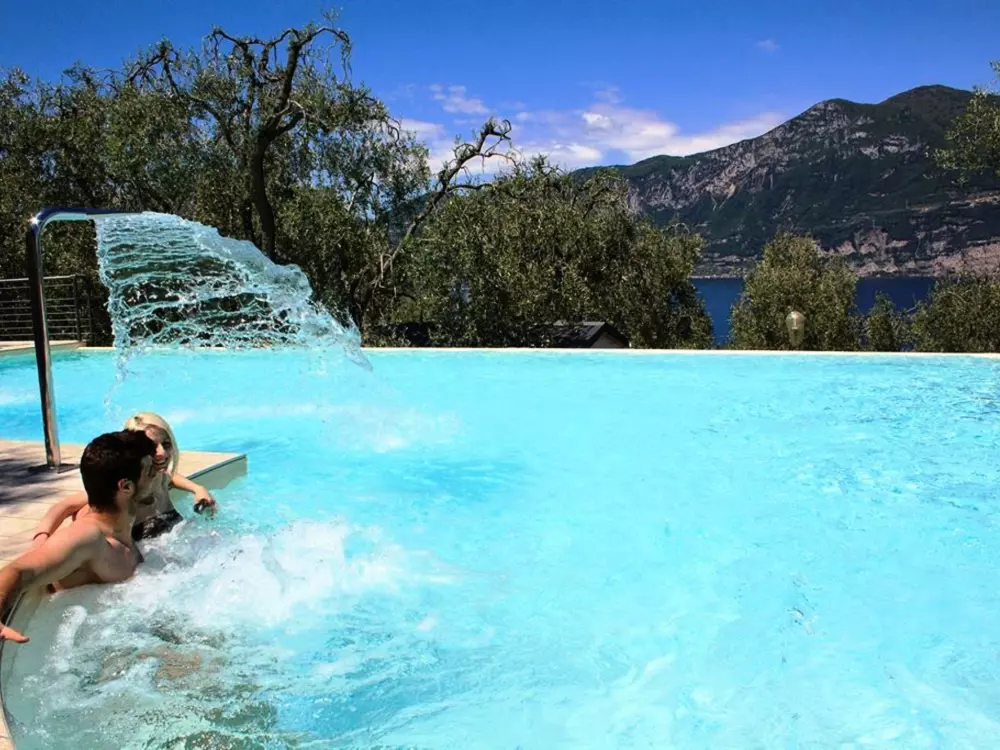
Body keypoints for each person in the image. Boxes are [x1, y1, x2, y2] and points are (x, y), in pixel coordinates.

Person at [0, 431, 159, 644]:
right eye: (150, 472)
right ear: (126, 487)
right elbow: (19, 572)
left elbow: (64, 505)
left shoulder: (116, 520)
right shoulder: (88, 536)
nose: (156, 476)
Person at [31, 412, 217, 546]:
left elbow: (171, 476)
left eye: (166, 444)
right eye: (152, 446)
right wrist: (41, 538)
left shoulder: (159, 477)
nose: (161, 452)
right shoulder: (128, 489)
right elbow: (64, 506)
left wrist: (198, 489)